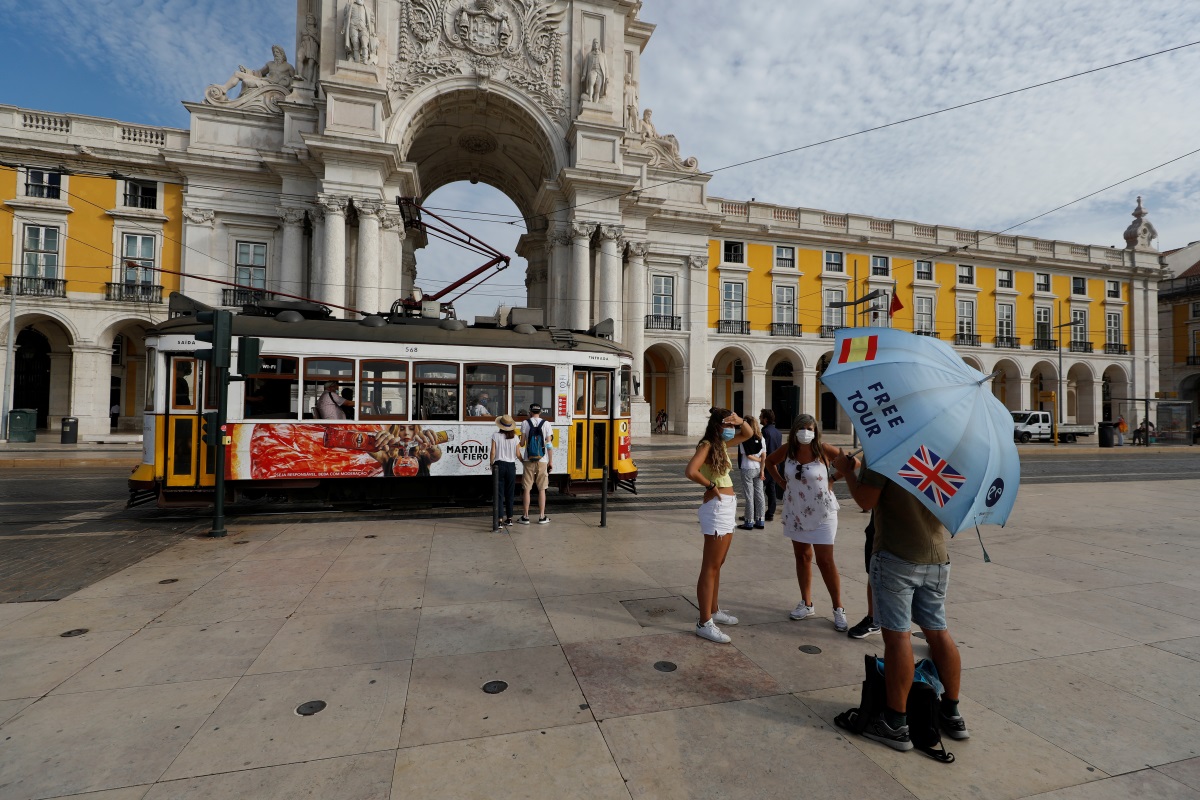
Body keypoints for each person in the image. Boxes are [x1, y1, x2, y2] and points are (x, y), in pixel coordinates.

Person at [833, 449, 969, 751]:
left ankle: (895, 722)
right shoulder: (942, 452)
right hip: (936, 555)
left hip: (896, 556)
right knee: (938, 632)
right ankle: (951, 711)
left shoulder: (888, 449)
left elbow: (865, 501)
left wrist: (848, 471)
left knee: (897, 639)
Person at [764, 414, 848, 632]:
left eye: (809, 428)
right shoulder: (788, 450)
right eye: (801, 428)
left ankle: (838, 608)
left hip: (823, 512)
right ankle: (806, 603)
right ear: (794, 430)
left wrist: (833, 479)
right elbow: (770, 462)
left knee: (825, 561)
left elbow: (852, 463)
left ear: (815, 430)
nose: (805, 432)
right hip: (796, 511)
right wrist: (782, 482)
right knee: (802, 556)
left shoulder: (823, 449)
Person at [684, 407, 753, 644]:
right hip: (716, 507)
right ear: (717, 426)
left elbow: (749, 433)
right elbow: (691, 471)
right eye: (728, 425)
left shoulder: (722, 444)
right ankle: (704, 622)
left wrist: (740, 420)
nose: (732, 430)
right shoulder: (706, 445)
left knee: (718, 563)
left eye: (732, 426)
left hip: (727, 505)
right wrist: (710, 486)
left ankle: (713, 610)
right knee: (710, 566)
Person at [517, 404, 553, 524]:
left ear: (530, 411)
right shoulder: (546, 424)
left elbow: (522, 443)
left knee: (527, 488)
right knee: (542, 489)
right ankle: (542, 516)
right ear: (540, 411)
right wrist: (550, 461)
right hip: (542, 460)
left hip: (528, 459)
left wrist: (520, 440)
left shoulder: (525, 423)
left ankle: (526, 516)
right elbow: (549, 444)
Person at [737, 416, 766, 530]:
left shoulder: (743, 439)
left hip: (747, 468)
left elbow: (747, 455)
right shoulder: (761, 438)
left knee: (749, 496)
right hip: (758, 469)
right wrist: (762, 469)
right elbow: (764, 455)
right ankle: (760, 520)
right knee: (760, 495)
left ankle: (749, 521)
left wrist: (758, 460)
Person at [490, 415, 519, 528]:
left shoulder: (495, 436)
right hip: (511, 466)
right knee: (510, 493)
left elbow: (493, 452)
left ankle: (500, 520)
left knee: (499, 494)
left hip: (499, 465)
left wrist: (491, 463)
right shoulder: (515, 438)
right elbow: (518, 454)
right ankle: (510, 518)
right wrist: (523, 461)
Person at [759, 409, 783, 521]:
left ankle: (755, 512)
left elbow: (763, 449)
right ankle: (770, 513)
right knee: (771, 490)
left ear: (765, 419)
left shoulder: (765, 432)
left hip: (767, 464)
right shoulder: (778, 432)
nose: (759, 418)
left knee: (758, 489)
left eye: (761, 416)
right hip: (775, 464)